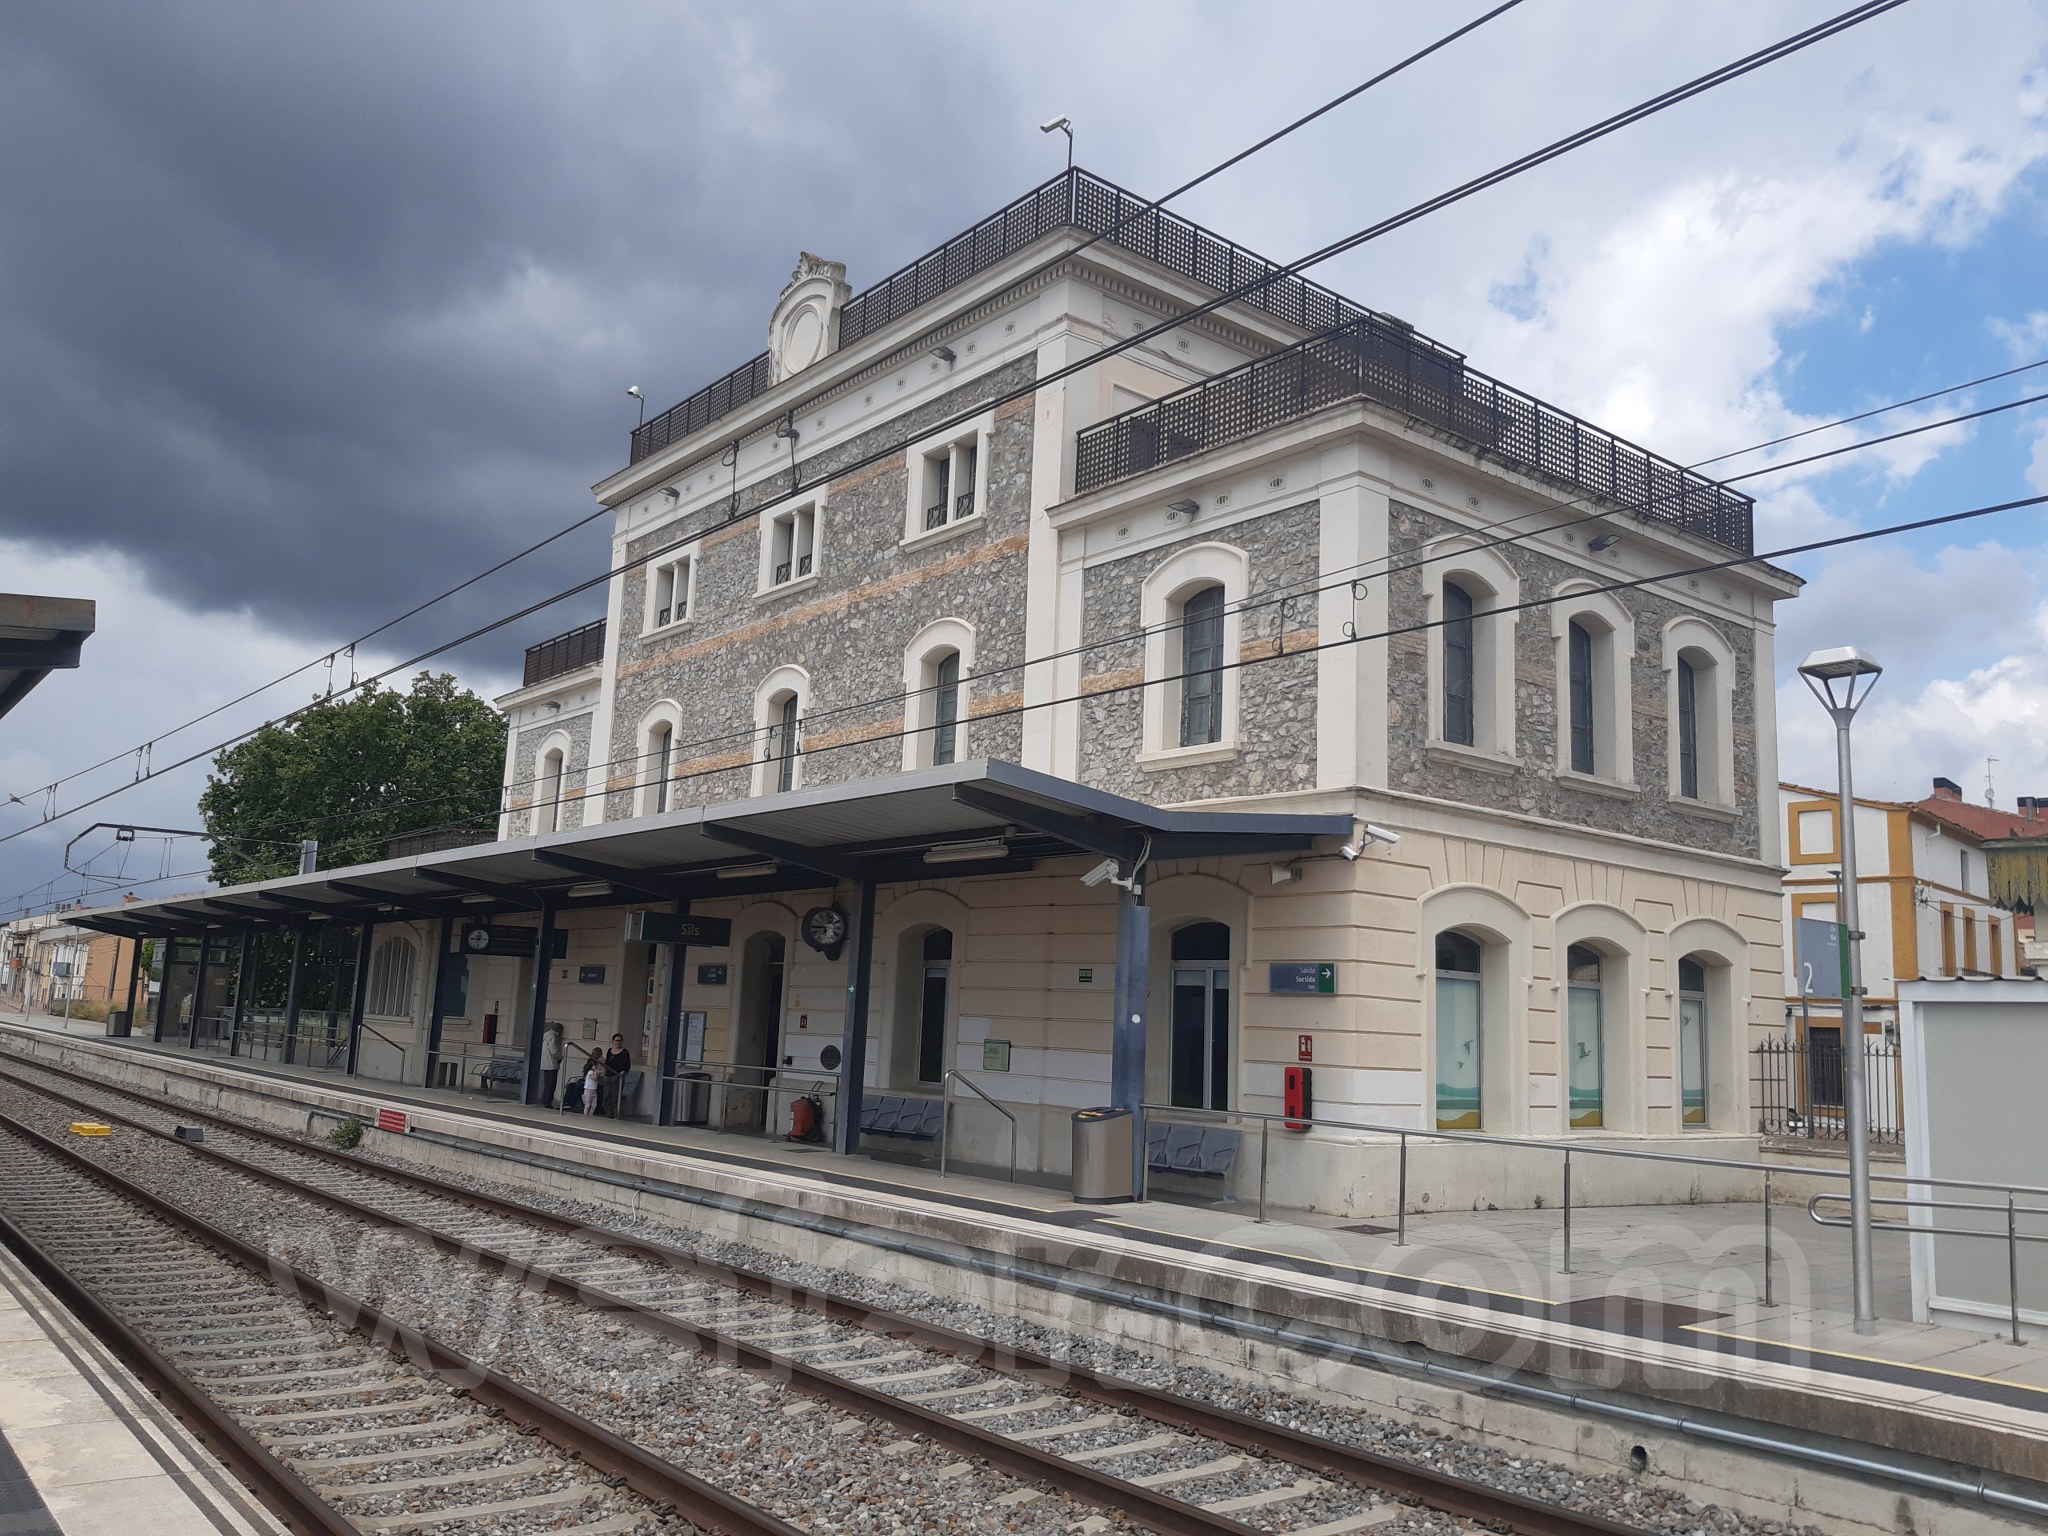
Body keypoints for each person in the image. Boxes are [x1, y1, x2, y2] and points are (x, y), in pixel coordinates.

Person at [603, 1033, 632, 1117]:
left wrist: (623, 1072)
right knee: (607, 1094)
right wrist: (605, 1070)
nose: (618, 1042)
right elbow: (607, 1062)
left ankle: (616, 1112)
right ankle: (608, 1112)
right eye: (616, 1040)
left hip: (617, 1075)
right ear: (613, 1041)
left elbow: (627, 1064)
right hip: (608, 1075)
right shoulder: (610, 1051)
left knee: (615, 1095)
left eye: (620, 1040)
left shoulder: (624, 1052)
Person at [539, 1023, 563, 1109]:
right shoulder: (553, 1037)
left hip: (544, 1063)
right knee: (551, 1085)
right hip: (552, 1064)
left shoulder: (545, 1034)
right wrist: (560, 1057)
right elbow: (554, 1050)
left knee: (546, 1084)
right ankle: (547, 1102)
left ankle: (544, 1100)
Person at [579, 1048, 603, 1117]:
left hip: (594, 1090)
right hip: (588, 1090)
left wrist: (600, 1072)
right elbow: (595, 1078)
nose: (596, 1066)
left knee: (594, 1105)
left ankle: (591, 1115)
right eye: (595, 1065)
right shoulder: (590, 1072)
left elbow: (601, 1073)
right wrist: (597, 1072)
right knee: (588, 1104)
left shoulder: (595, 1071)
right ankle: (585, 1115)